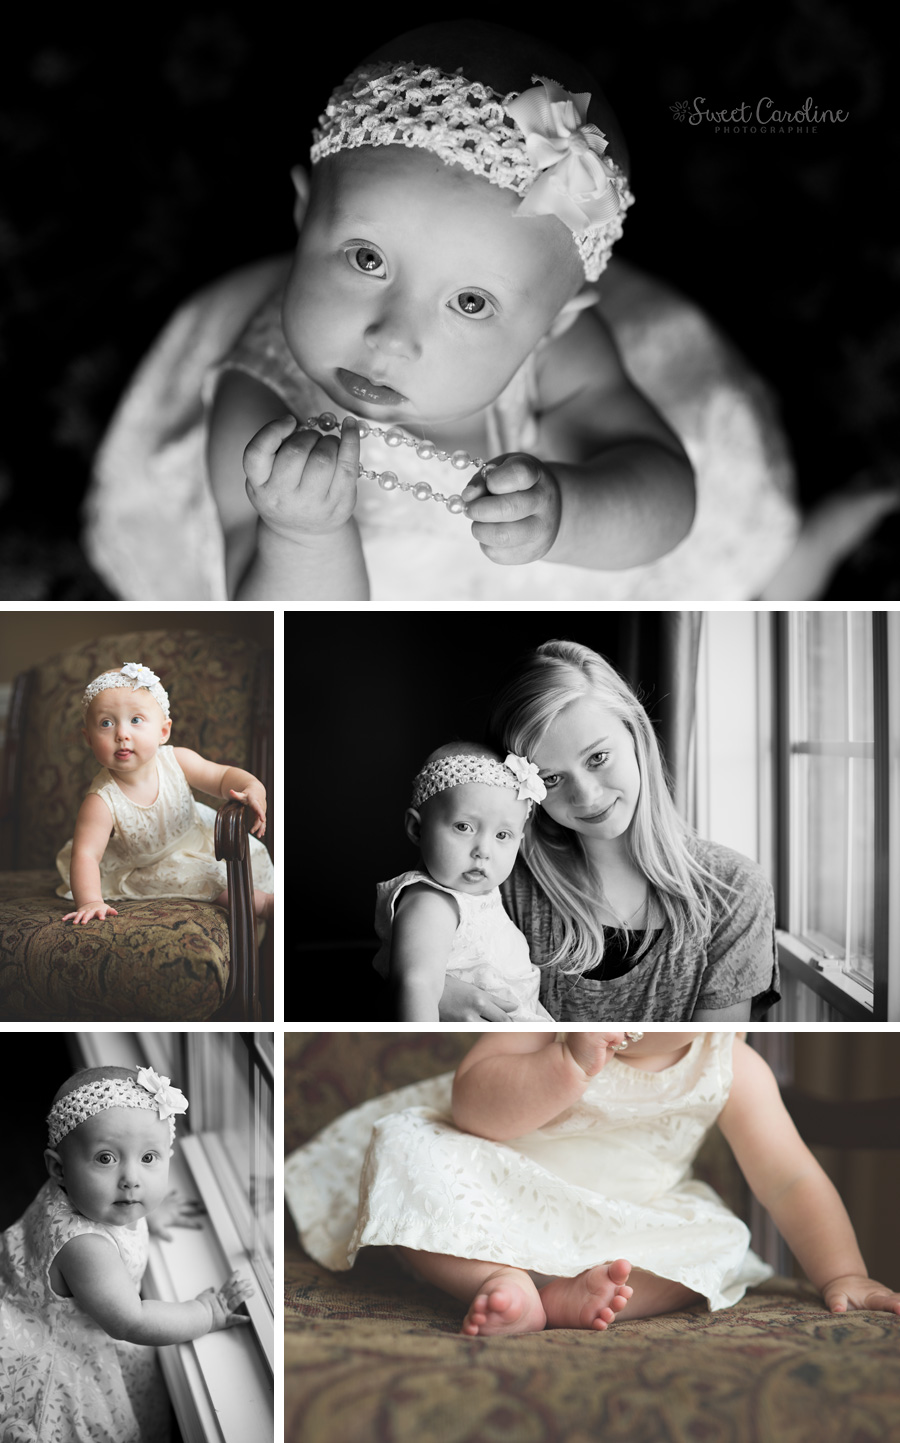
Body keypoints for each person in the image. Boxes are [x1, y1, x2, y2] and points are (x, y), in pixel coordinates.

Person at [84, 20, 803, 603]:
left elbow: (665, 492)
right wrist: (300, 533)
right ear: (304, 215)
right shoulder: (259, 406)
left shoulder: (558, 352)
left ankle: (792, 571)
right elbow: (283, 622)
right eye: (368, 259)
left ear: (551, 326)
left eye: (470, 302)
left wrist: (568, 513)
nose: (391, 338)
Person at [285, 1031, 900, 1338]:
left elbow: (790, 1179)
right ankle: (498, 1279)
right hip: (496, 1195)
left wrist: (843, 1273)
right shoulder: (549, 1019)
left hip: (629, 1220)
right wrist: (566, 1064)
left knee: (720, 1242)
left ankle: (567, 1299)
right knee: (403, 1145)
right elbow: (472, 1110)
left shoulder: (732, 1063)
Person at [440, 638, 779, 1022]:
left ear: (635, 734)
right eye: (551, 779)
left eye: (598, 757)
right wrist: (434, 990)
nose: (587, 796)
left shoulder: (733, 889)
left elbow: (711, 1052)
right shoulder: (498, 880)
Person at [0, 1064, 253, 1441]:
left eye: (149, 1158)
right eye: (106, 1158)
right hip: (65, 1355)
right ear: (59, 1168)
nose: (131, 1180)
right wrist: (205, 1313)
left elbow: (119, 1204)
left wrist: (152, 1214)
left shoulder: (89, 1197)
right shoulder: (86, 1247)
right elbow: (130, 1321)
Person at [56, 662, 275, 923]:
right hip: (153, 865)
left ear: (163, 731)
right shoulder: (101, 800)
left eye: (135, 720)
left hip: (198, 839)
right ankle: (263, 904)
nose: (122, 734)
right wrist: (91, 901)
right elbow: (86, 855)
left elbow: (221, 777)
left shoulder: (177, 760)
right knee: (207, 881)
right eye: (106, 723)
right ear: (89, 739)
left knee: (240, 862)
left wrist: (252, 787)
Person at [374, 743, 553, 1021]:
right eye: (464, 827)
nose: (483, 850)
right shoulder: (430, 902)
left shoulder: (479, 895)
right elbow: (417, 983)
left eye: (502, 835)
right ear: (417, 829)